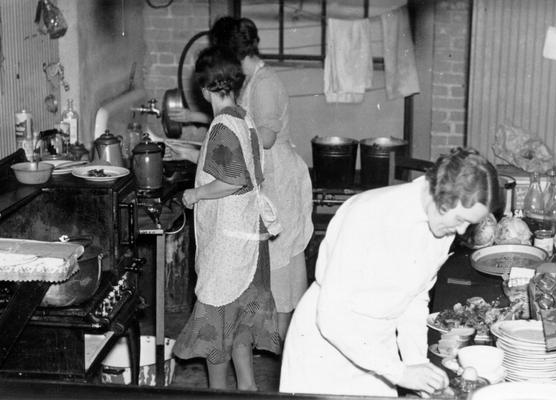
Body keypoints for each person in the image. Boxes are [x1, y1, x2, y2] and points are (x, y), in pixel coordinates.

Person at [279, 148, 499, 397]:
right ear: (441, 195)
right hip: (326, 348)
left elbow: (415, 298)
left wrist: (416, 364)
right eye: (460, 219)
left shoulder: (442, 228)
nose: (461, 232)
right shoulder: (369, 213)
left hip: (379, 350)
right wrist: (400, 372)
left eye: (468, 223)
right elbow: (331, 316)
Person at [169, 17, 313, 339]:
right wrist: (206, 125)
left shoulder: (266, 84)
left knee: (281, 270)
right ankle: (265, 340)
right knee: (264, 266)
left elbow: (263, 137)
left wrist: (217, 140)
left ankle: (287, 349)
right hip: (260, 175)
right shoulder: (250, 81)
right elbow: (240, 120)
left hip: (278, 178)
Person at [167, 46, 282, 391]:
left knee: (217, 338)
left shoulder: (221, 126)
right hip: (250, 240)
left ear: (204, 90)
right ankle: (248, 390)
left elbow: (233, 178)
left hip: (230, 248)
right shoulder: (243, 117)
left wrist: (196, 194)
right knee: (242, 332)